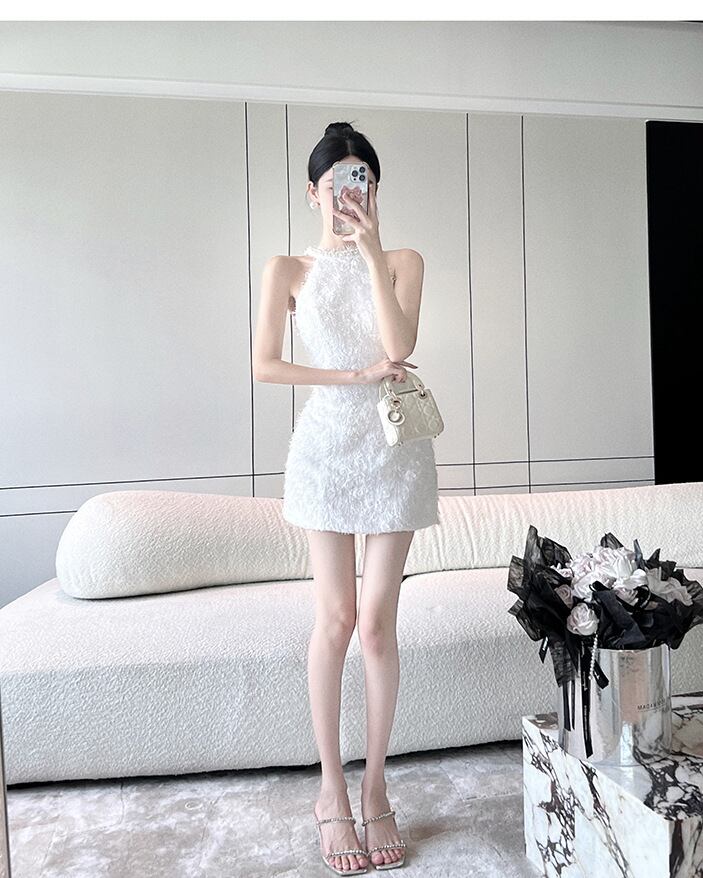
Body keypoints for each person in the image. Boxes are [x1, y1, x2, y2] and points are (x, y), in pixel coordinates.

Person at [253, 120, 440, 874]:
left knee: (378, 627)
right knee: (334, 621)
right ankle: (331, 789)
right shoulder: (286, 269)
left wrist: (369, 247)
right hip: (326, 452)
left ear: (375, 188)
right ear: (313, 192)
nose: (349, 192)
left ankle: (375, 786)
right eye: (337, 181)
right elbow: (265, 365)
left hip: (395, 451)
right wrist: (348, 379)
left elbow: (398, 348)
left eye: (362, 179)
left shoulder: (401, 260)